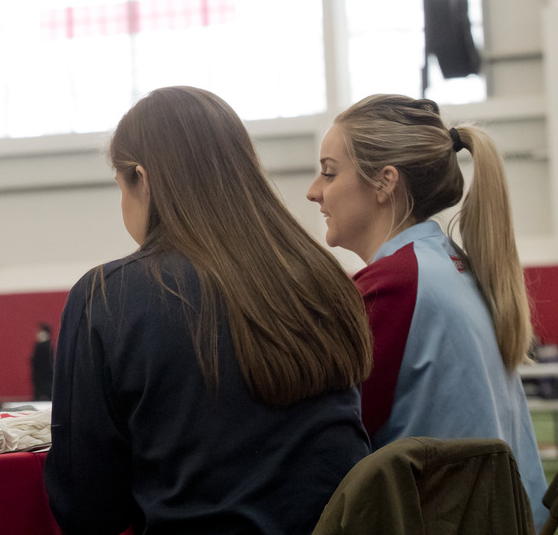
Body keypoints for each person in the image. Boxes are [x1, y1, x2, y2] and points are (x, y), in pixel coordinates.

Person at [45, 86, 371, 535]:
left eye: (121, 186)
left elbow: (85, 507)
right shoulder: (324, 277)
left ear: (143, 178)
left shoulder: (108, 296)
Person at [306, 94, 547, 522]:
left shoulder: (396, 286)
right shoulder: (453, 268)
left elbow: (321, 443)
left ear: (385, 182)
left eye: (329, 172)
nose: (313, 192)